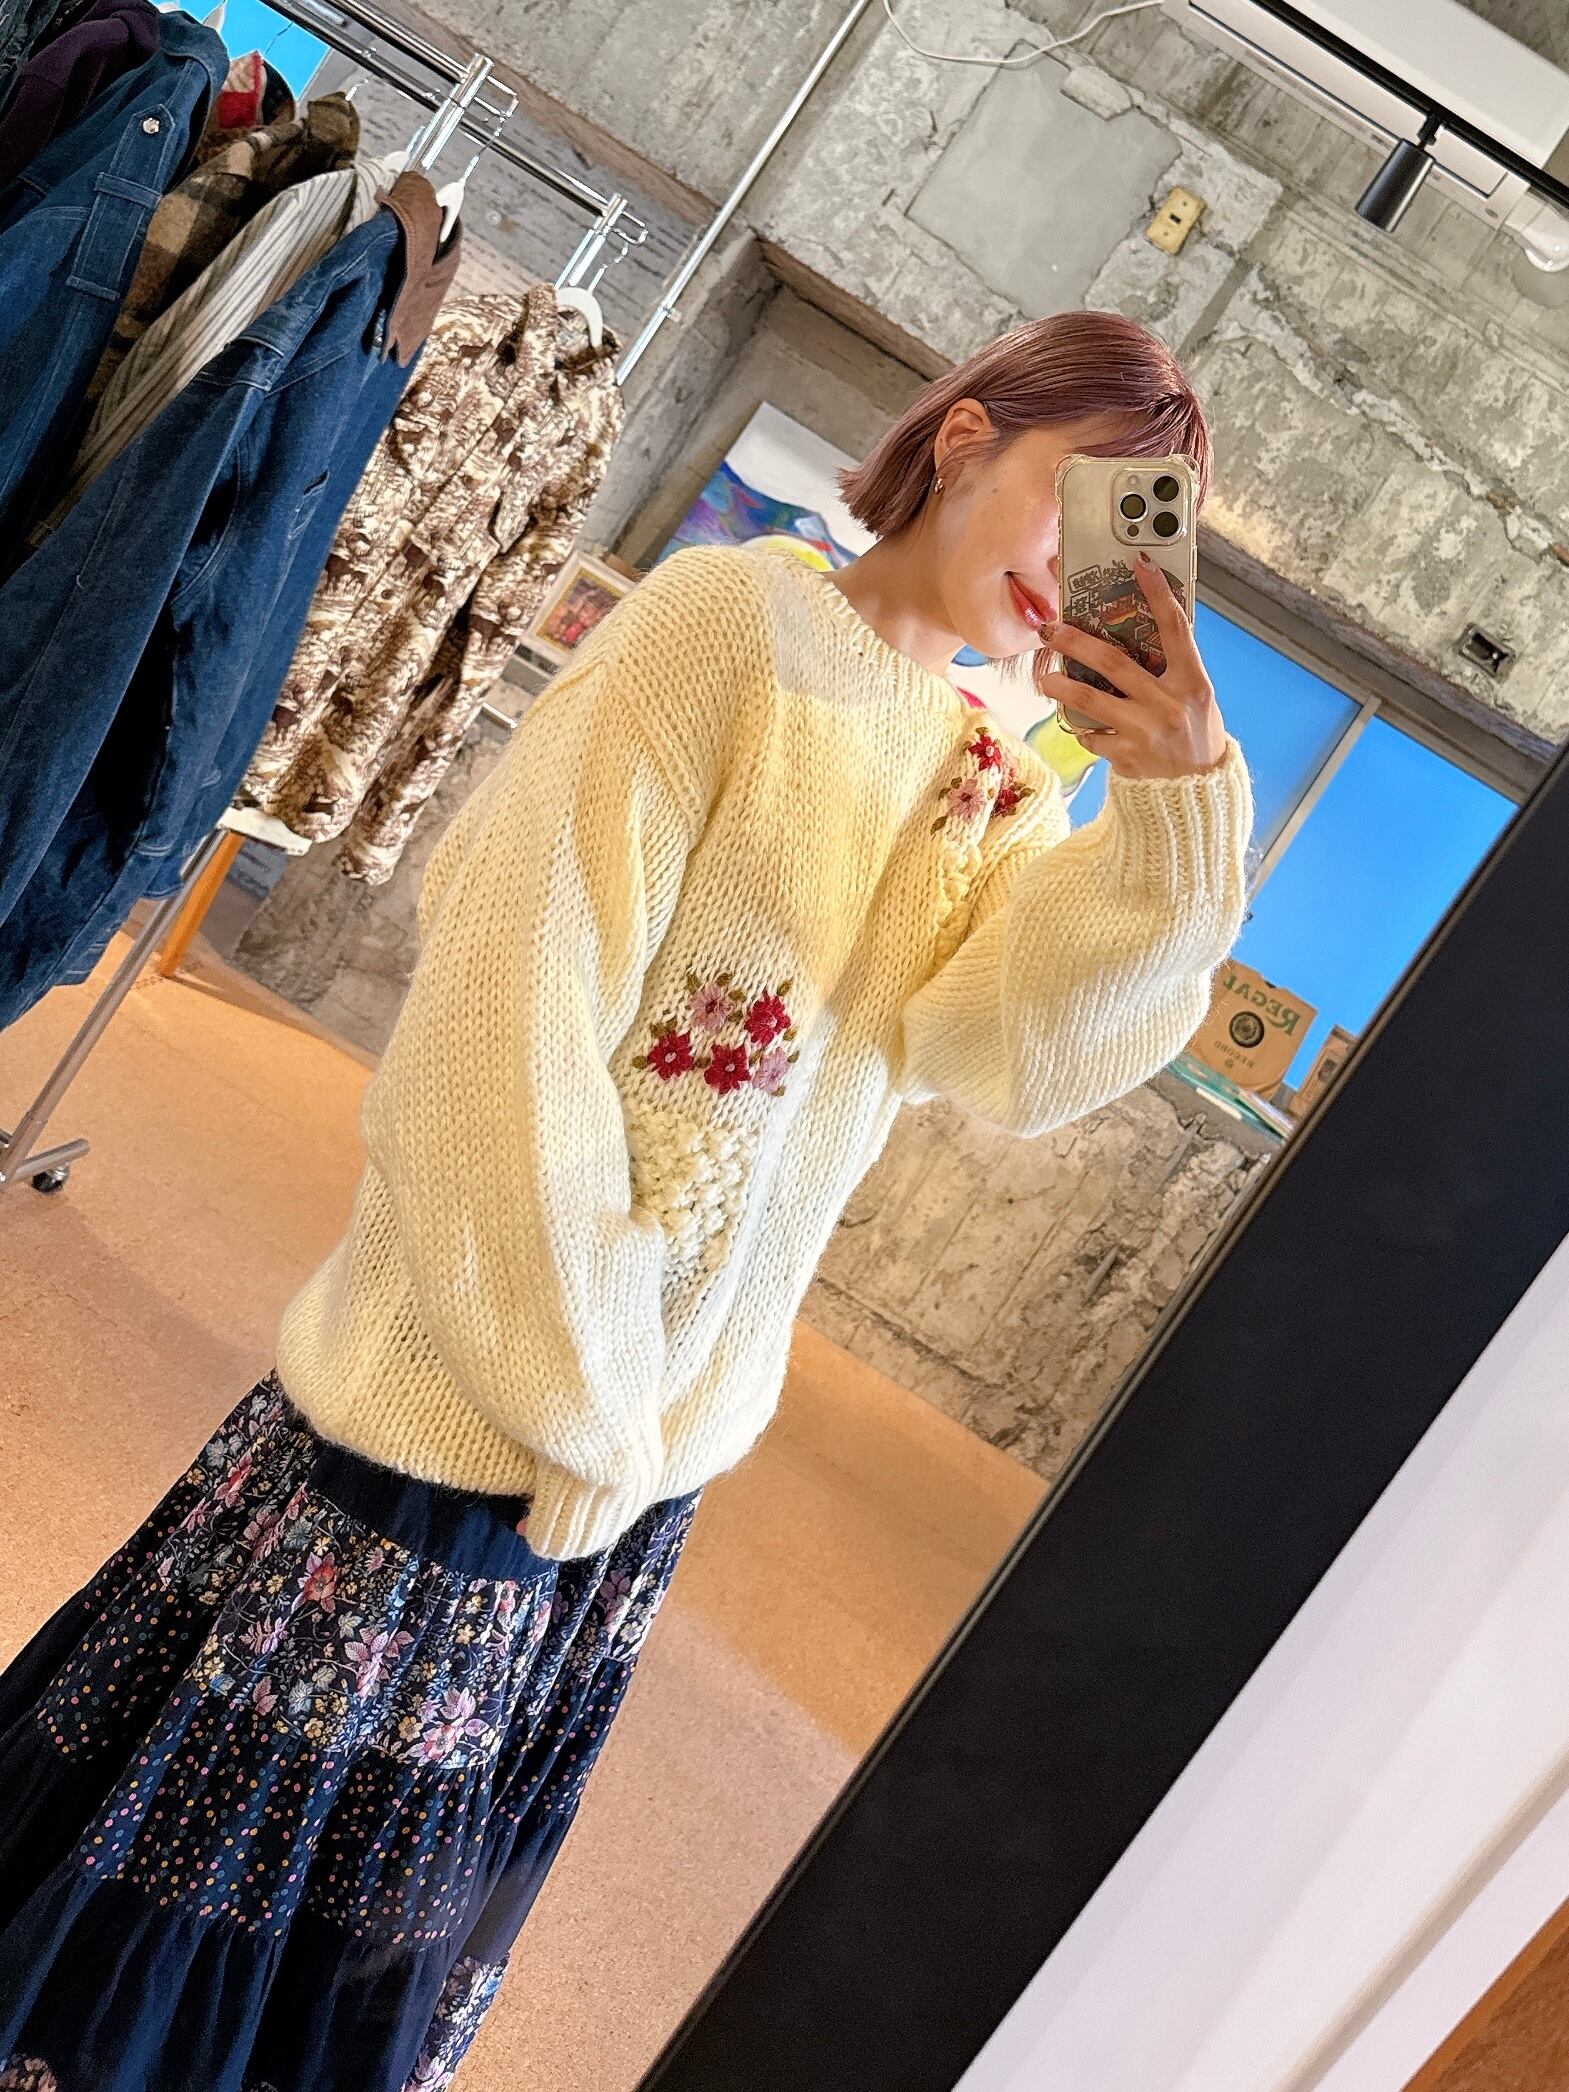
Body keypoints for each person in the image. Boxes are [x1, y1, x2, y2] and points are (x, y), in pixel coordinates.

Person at [0, 308, 1253, 2091]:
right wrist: (580, 1400)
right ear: (966, 438)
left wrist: (1179, 810)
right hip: (463, 1415)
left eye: (1141, 534)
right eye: (1082, 501)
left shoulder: (989, 780)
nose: (1081, 569)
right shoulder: (725, 629)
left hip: (633, 1481)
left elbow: (1013, 1057)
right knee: (180, 1922)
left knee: (346, 1960)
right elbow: (499, 1019)